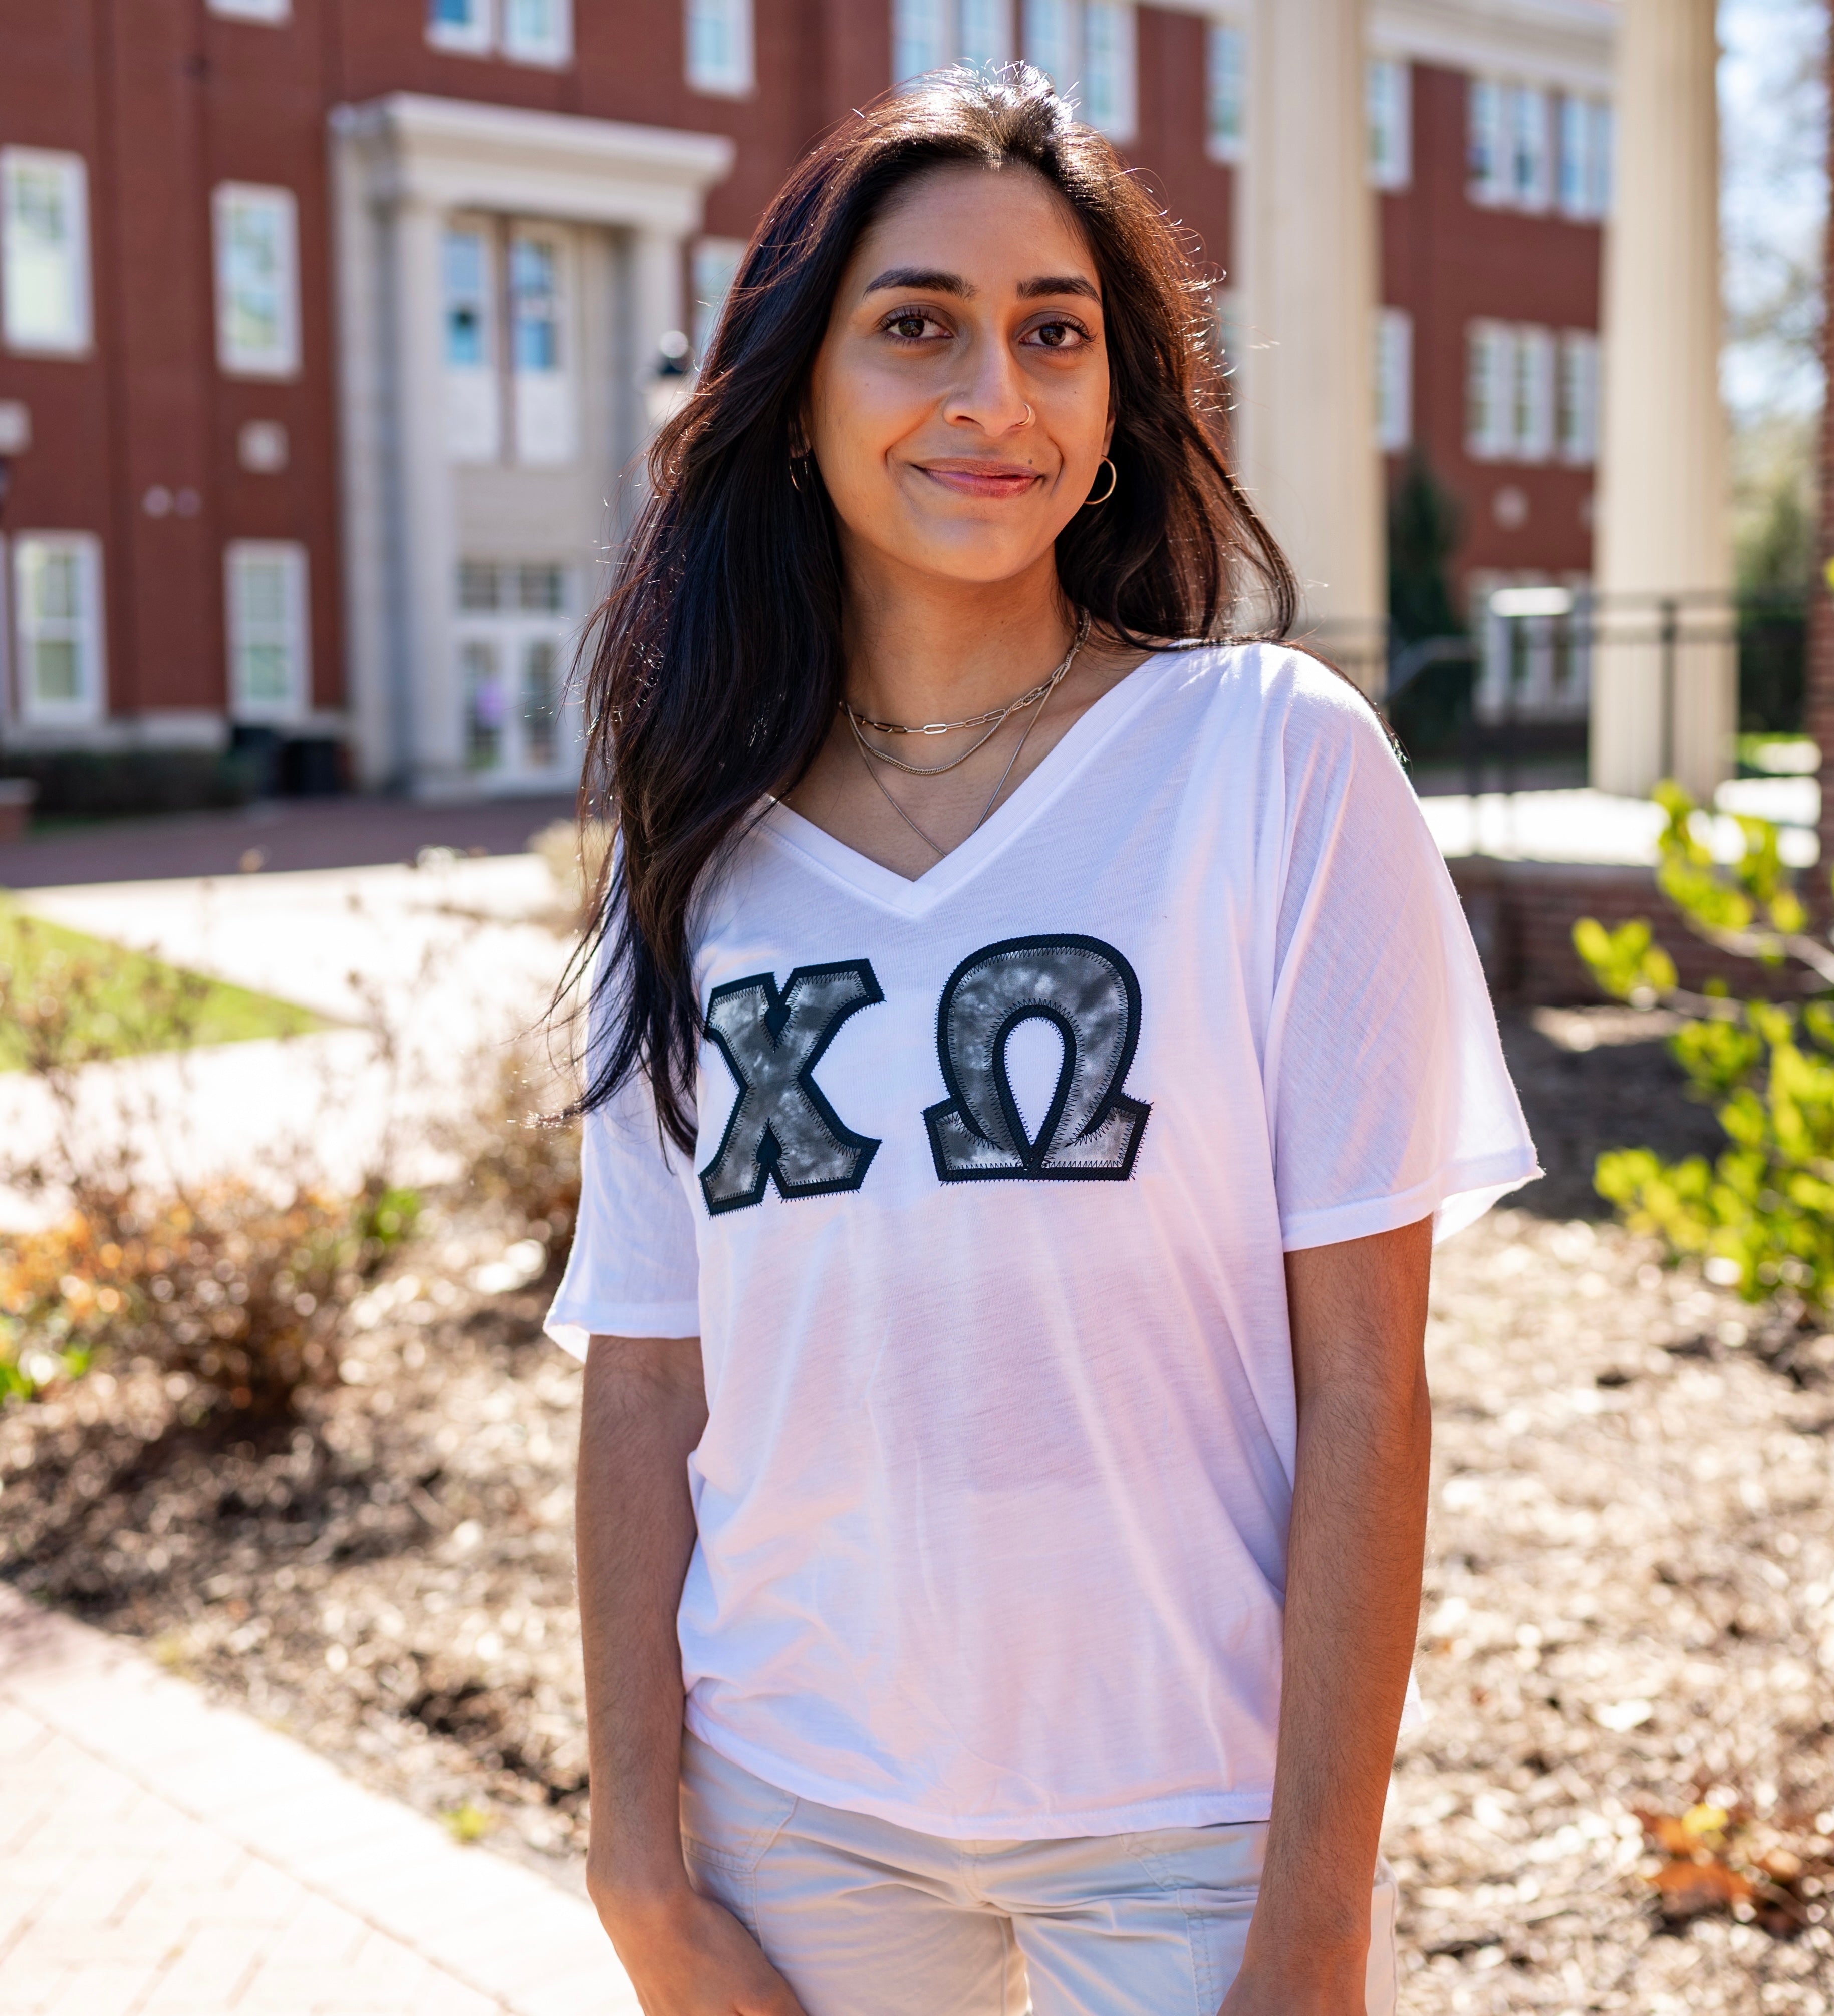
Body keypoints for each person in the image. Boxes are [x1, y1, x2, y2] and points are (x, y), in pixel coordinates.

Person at [546, 63, 1537, 2016]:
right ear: (798, 384)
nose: (993, 394)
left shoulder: (1268, 762)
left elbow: (1366, 1388)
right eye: (917, 324)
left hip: (1189, 1825)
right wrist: (637, 1865)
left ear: (1115, 408)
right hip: (795, 1810)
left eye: (1054, 334)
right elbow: (648, 1385)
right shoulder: (693, 848)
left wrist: (1314, 1921)